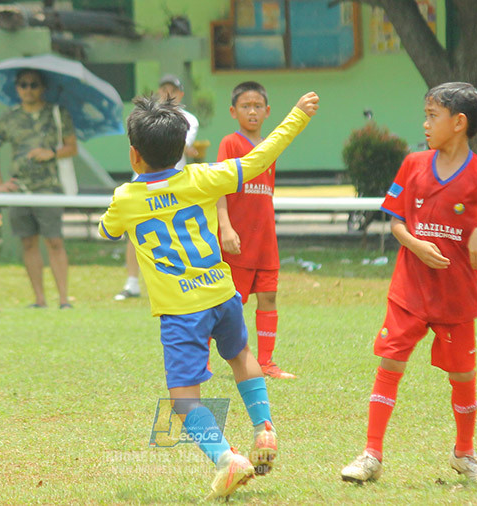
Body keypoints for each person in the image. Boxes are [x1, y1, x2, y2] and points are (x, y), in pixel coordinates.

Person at [98, 91, 319, 498]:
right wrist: (296, 117)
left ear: (134, 155)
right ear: (182, 149)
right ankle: (264, 428)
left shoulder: (126, 198)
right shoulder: (202, 178)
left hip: (182, 311)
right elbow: (260, 158)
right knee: (241, 356)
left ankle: (226, 458)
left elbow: (107, 230)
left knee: (184, 400)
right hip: (222, 293)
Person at [341, 82, 477, 487]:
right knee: (390, 364)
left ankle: (464, 454)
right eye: (426, 115)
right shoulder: (413, 164)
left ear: (459, 122)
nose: (426, 124)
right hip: (410, 291)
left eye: (433, 116)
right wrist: (415, 244)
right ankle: (371, 455)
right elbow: (396, 221)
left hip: (456, 295)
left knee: (463, 376)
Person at [216, 81, 294, 379]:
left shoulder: (270, 146)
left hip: (265, 239)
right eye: (246, 106)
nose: (252, 111)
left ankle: (267, 363)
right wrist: (225, 228)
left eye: (257, 106)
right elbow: (219, 188)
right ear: (233, 111)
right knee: (227, 303)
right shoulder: (230, 144)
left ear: (267, 111)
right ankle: (203, 364)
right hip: (237, 239)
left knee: (269, 297)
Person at [0, 69, 78, 309]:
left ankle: (64, 300)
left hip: (49, 189)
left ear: (43, 88)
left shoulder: (57, 113)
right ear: (17, 88)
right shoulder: (8, 117)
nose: (28, 89)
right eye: (23, 84)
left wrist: (51, 153)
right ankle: (39, 300)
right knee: (27, 242)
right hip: (19, 190)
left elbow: (72, 147)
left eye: (34, 84)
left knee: (54, 241)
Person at [114, 74, 199, 301]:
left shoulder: (188, 119)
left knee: (176, 233)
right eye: (163, 89)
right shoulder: (143, 117)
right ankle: (132, 283)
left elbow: (180, 144)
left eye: (173, 90)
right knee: (135, 231)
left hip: (174, 185)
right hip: (143, 182)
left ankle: (179, 282)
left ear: (181, 94)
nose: (167, 94)